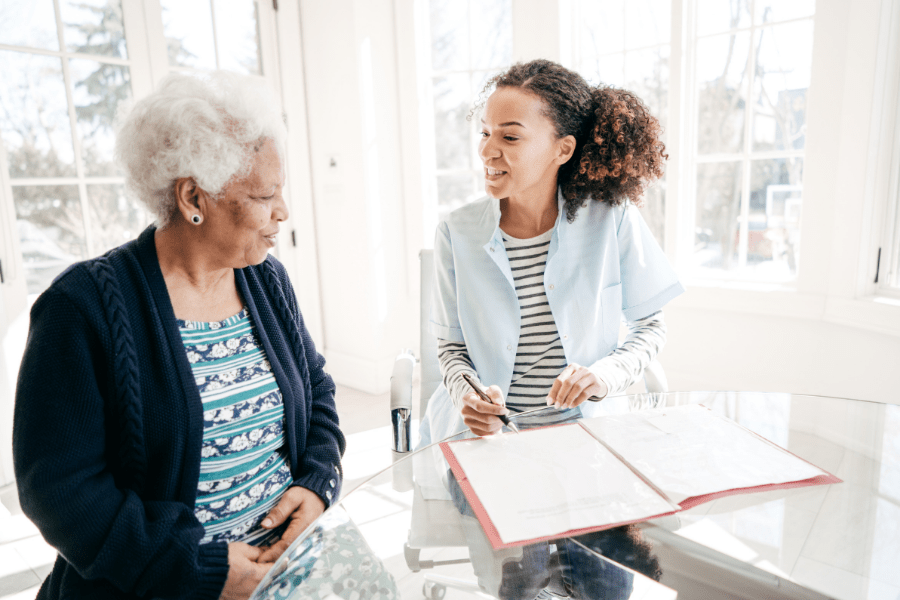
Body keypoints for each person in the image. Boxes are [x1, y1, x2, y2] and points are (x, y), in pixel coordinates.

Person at [12, 71, 345, 600]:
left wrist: (318, 480)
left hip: (280, 575)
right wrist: (198, 569)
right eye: (264, 194)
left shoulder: (265, 278)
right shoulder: (80, 308)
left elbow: (317, 388)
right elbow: (60, 492)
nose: (283, 211)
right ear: (194, 196)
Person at [422, 59, 682, 597]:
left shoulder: (611, 219)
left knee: (605, 583)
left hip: (589, 438)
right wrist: (470, 397)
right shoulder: (459, 232)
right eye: (486, 133)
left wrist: (604, 375)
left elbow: (650, 324)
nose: (488, 151)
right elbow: (449, 346)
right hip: (494, 444)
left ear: (562, 149)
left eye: (510, 136)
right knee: (524, 575)